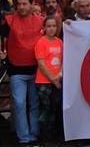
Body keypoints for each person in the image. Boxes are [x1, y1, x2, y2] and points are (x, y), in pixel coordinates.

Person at [0, 0, 43, 145]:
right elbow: (0, 39)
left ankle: (34, 134)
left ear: (31, 4)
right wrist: (0, 51)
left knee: (34, 104)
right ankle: (24, 138)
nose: (22, 7)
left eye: (25, 3)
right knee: (19, 104)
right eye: (19, 4)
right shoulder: (9, 21)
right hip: (16, 69)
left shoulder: (41, 21)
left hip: (37, 69)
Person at [34, 15, 63, 143]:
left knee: (54, 108)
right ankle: (44, 138)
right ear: (44, 28)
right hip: (44, 82)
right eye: (49, 26)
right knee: (45, 109)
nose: (51, 29)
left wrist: (59, 76)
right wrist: (53, 79)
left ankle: (54, 136)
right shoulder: (41, 42)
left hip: (57, 80)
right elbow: (41, 64)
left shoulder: (59, 42)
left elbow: (63, 60)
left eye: (54, 26)